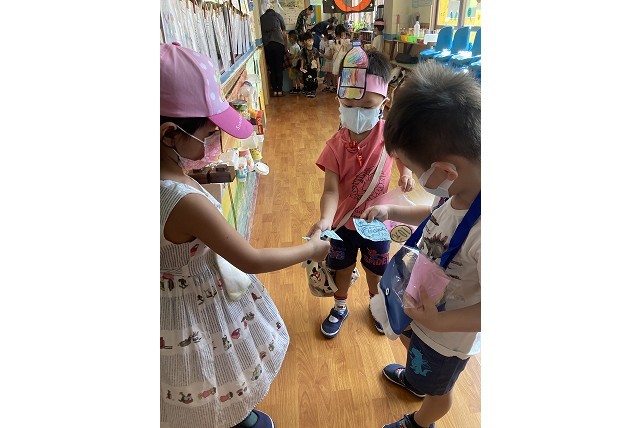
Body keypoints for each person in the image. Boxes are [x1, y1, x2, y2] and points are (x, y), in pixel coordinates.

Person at [160, 42, 330, 428]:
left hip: (167, 309)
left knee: (185, 382)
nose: (216, 143)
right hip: (198, 309)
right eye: (209, 133)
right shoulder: (185, 203)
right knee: (211, 371)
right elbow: (250, 259)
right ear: (170, 134)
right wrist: (310, 249)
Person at [360, 63, 481, 428]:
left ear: (447, 170)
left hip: (447, 333)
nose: (415, 177)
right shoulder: (458, 188)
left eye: (415, 170)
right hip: (425, 310)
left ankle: (419, 421)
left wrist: (438, 321)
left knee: (438, 390)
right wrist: (393, 211)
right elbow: (437, 216)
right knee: (415, 350)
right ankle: (417, 377)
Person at [307, 47, 415, 339]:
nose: (357, 113)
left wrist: (405, 173)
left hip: (378, 224)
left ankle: (376, 304)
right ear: (339, 101)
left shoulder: (388, 136)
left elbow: (401, 155)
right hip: (342, 224)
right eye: (349, 105)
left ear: (384, 103)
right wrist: (325, 220)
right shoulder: (335, 145)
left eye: (367, 106)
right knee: (341, 268)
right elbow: (331, 190)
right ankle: (340, 306)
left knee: (375, 270)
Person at [260, 7, 287, 97]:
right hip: (279, 44)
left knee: (272, 69)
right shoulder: (278, 16)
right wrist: (286, 46)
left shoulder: (262, 18)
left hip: (267, 45)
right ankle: (280, 90)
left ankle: (274, 90)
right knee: (279, 68)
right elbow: (284, 32)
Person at [299, 31, 320, 98]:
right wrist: (301, 67)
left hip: (314, 67)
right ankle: (308, 90)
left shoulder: (315, 50)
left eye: (312, 40)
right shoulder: (303, 50)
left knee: (313, 79)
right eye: (309, 40)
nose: (311, 42)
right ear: (305, 41)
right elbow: (302, 59)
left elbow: (317, 59)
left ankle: (313, 90)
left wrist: (318, 67)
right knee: (306, 79)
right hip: (306, 68)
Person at [286, 30, 303, 94]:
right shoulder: (297, 46)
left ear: (291, 38)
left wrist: (288, 54)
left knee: (293, 78)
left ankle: (294, 88)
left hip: (293, 65)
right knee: (297, 77)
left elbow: (291, 56)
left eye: (289, 38)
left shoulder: (292, 47)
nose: (288, 39)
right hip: (297, 64)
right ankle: (298, 88)